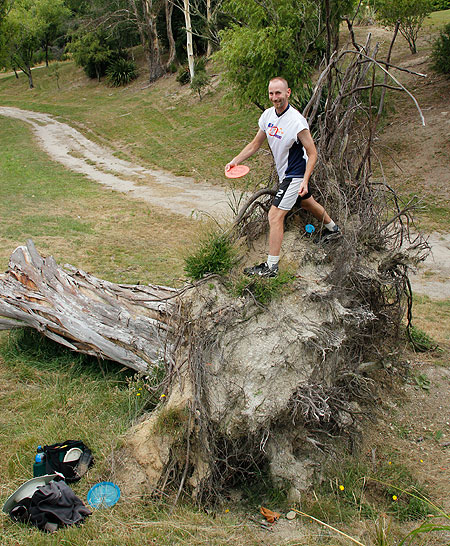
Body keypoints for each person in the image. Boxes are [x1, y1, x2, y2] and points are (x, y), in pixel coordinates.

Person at [225, 77, 340, 277]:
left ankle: (271, 268)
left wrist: (304, 180)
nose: (274, 97)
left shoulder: (296, 122)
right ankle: (333, 230)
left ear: (288, 92)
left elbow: (313, 153)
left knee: (275, 215)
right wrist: (235, 160)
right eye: (271, 93)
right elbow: (255, 144)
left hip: (294, 175)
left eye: (278, 93)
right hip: (285, 174)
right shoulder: (268, 116)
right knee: (306, 203)